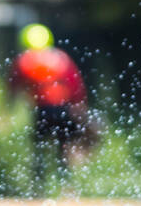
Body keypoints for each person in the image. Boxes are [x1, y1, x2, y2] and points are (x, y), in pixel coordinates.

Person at [7, 23, 94, 190]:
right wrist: (80, 105)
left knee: (39, 149)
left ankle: (38, 187)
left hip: (42, 110)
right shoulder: (60, 59)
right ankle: (66, 185)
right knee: (62, 148)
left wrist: (8, 108)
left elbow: (13, 86)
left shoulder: (24, 61)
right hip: (63, 108)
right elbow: (75, 84)